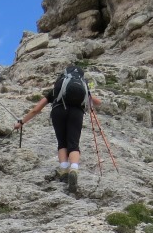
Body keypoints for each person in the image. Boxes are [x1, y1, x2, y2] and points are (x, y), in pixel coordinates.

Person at [14, 64, 101, 194]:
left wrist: (21, 122)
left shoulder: (57, 88)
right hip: (77, 112)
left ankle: (64, 169)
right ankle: (74, 169)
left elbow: (36, 109)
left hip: (58, 111)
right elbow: (97, 102)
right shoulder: (82, 86)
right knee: (73, 143)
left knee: (62, 142)